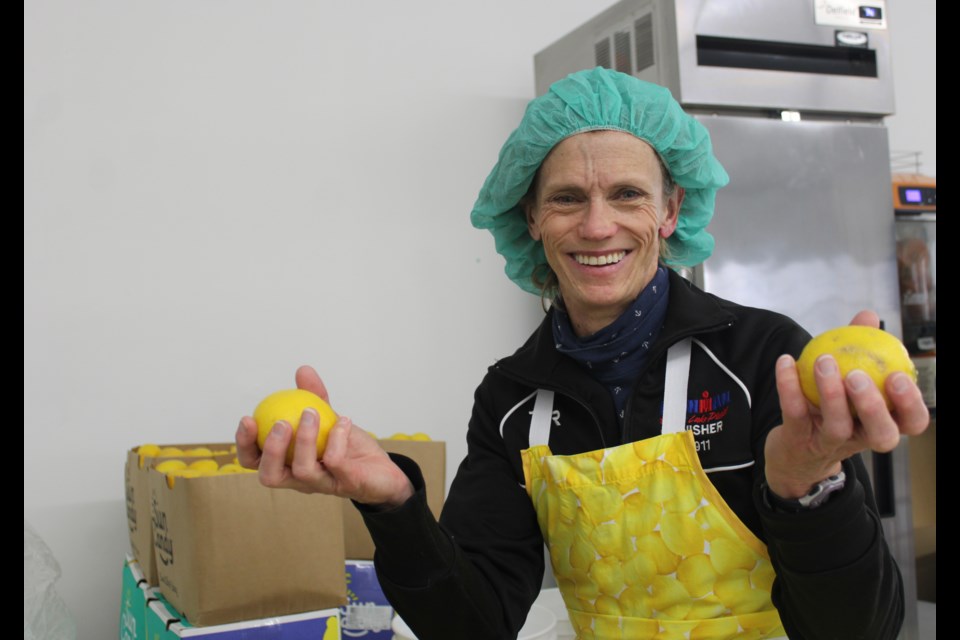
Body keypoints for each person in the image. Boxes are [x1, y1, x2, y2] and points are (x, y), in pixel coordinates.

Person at [235, 68, 929, 640]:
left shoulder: (763, 358)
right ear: (532, 218)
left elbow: (863, 630)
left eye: (626, 194)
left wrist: (806, 490)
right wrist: (394, 507)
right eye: (567, 198)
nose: (598, 225)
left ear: (669, 210)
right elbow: (472, 627)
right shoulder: (511, 400)